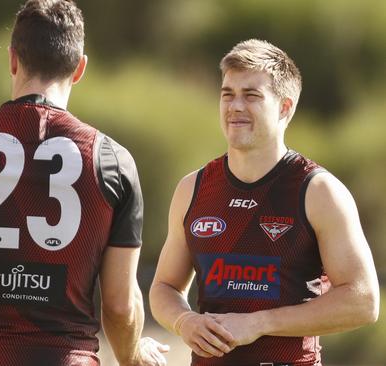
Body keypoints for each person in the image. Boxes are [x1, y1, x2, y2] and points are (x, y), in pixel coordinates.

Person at [0, 1, 169, 365]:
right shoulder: (112, 160)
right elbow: (121, 305)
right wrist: (131, 358)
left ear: (13, 59)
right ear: (79, 69)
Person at [149, 39, 380, 365]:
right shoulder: (193, 188)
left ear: (285, 107)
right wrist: (184, 321)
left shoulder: (318, 191)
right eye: (227, 94)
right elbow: (164, 287)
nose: (235, 106)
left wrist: (259, 323)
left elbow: (363, 301)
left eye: (251, 96)